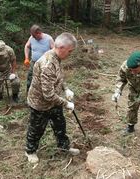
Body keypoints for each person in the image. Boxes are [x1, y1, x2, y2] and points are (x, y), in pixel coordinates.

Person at [25, 32, 79, 164]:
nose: (70, 54)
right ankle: (30, 151)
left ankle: (63, 147)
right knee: (36, 129)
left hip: (54, 101)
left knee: (60, 125)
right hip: (40, 103)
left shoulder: (56, 57)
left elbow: (58, 76)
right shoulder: (47, 64)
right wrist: (66, 104)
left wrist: (66, 89)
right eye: (69, 51)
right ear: (61, 47)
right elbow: (48, 95)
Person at [24, 24, 54, 92]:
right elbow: (27, 46)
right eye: (33, 36)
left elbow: (54, 51)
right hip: (34, 62)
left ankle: (44, 95)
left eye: (35, 36)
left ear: (39, 33)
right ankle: (29, 93)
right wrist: (26, 58)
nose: (34, 38)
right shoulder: (32, 38)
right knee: (30, 77)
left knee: (44, 79)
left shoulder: (49, 39)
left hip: (45, 64)